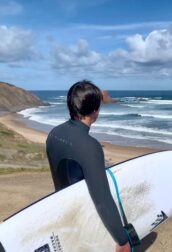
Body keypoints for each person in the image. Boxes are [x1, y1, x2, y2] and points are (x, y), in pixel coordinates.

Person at [46, 80, 130, 252]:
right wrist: (122, 240)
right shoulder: (89, 146)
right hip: (84, 218)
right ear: (95, 110)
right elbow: (102, 200)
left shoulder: (54, 133)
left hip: (64, 211)